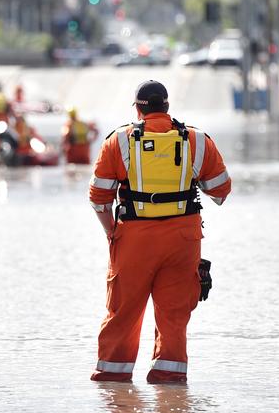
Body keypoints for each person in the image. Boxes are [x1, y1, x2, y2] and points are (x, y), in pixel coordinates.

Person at [87, 80, 232, 384]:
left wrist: (111, 232)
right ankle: (170, 382)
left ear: (138, 109)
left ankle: (114, 388)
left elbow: (99, 197)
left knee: (123, 312)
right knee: (174, 315)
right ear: (166, 107)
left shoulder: (120, 141)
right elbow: (220, 190)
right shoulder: (197, 140)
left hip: (133, 238)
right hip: (183, 240)